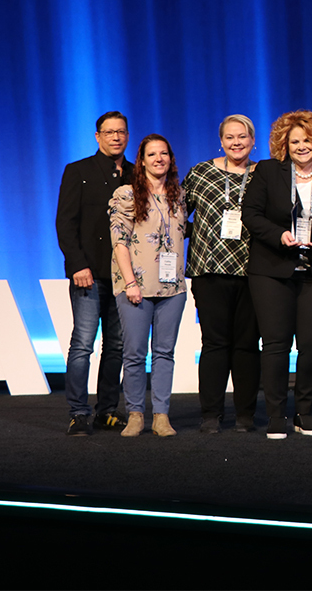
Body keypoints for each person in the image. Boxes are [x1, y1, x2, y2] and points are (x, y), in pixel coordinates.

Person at [241, 110, 312, 440]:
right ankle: (276, 414)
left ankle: (304, 412)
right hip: (272, 269)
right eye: (295, 141)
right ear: (284, 144)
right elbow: (250, 214)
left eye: (307, 140)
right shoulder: (269, 171)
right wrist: (279, 236)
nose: (302, 146)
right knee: (275, 344)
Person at [182, 114, 261, 434]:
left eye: (242, 137)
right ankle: (211, 415)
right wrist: (201, 233)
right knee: (214, 344)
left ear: (252, 140)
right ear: (221, 142)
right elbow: (175, 215)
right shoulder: (200, 173)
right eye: (230, 137)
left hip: (253, 272)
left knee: (246, 345)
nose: (236, 142)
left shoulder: (265, 174)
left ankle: (245, 414)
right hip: (209, 271)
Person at [56, 111, 133, 435]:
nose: (116, 137)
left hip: (123, 275)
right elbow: (65, 222)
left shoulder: (136, 172)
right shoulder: (78, 171)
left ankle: (106, 411)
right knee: (83, 344)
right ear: (97, 136)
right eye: (109, 132)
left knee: (116, 346)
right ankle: (78, 412)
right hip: (88, 273)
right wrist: (77, 265)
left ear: (127, 136)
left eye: (121, 132)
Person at [110, 134, 188, 437]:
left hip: (172, 289)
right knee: (134, 353)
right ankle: (135, 415)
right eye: (152, 154)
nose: (159, 159)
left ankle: (161, 416)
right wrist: (130, 282)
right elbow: (119, 242)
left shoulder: (178, 195)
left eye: (164, 154)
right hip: (135, 287)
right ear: (141, 160)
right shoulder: (126, 194)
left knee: (165, 352)